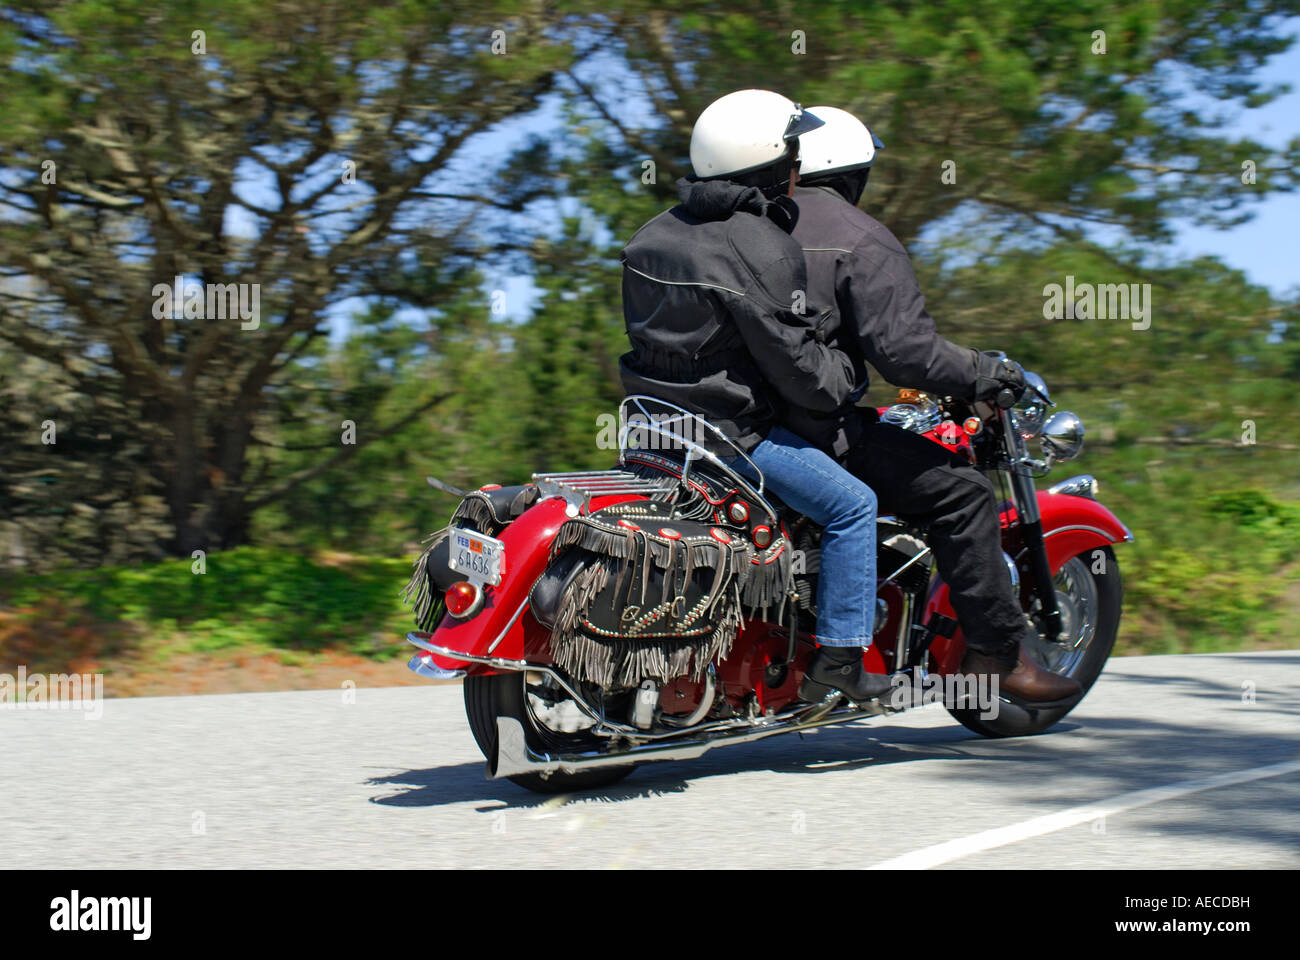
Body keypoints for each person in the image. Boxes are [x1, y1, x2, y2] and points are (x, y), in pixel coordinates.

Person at [786, 105, 1081, 704]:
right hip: (815, 434)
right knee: (962, 493)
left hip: (724, 428)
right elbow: (905, 355)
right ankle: (995, 657)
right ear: (851, 172)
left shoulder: (748, 228)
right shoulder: (859, 239)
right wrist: (985, 373)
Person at [619, 90, 890, 704]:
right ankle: (842, 662)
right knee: (853, 506)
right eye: (793, 155)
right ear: (772, 163)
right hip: (731, 438)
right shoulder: (760, 245)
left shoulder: (652, 234)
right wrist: (848, 371)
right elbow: (800, 372)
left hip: (651, 428)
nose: (797, 168)